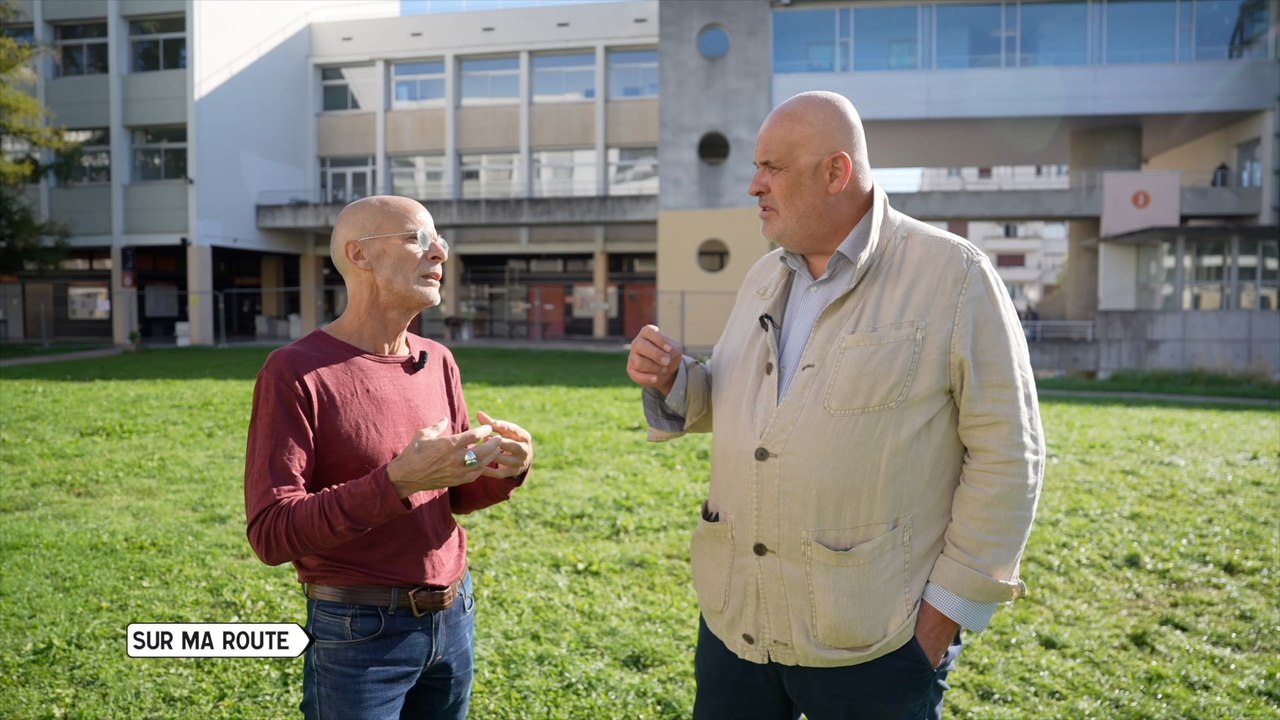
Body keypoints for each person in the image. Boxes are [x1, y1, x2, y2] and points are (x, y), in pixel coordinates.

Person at [627, 91, 1044, 720]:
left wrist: (942, 622)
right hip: (738, 624)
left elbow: (1011, 456)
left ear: (836, 172)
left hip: (876, 645)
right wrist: (673, 382)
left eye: (772, 168)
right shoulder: (766, 276)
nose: (753, 185)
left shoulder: (953, 275)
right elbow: (738, 397)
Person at [244, 195, 534, 720]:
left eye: (440, 239)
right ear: (360, 255)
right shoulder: (293, 371)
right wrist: (395, 481)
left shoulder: (438, 359)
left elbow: (455, 492)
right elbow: (271, 532)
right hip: (358, 632)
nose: (440, 252)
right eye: (417, 238)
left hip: (455, 614)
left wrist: (503, 467)